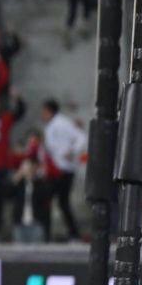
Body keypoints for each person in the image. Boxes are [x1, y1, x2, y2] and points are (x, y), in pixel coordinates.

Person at [40, 99, 87, 241]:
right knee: (57, 202)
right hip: (55, 169)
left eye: (43, 111)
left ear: (49, 110)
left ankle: (69, 234)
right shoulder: (52, 125)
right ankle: (62, 234)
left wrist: (72, 151)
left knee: (58, 201)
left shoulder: (62, 123)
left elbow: (81, 136)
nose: (42, 115)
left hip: (63, 170)